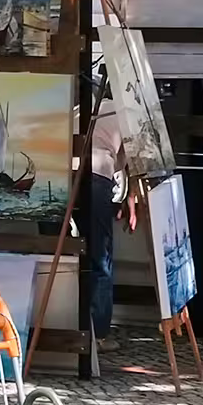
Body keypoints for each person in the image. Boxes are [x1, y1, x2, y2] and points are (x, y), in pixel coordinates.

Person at [87, 101, 133, 351]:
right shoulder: (127, 111)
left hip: (66, 171)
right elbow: (127, 161)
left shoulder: (90, 104)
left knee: (66, 256)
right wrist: (131, 199)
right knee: (100, 258)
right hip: (98, 175)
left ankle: (56, 323)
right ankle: (99, 334)